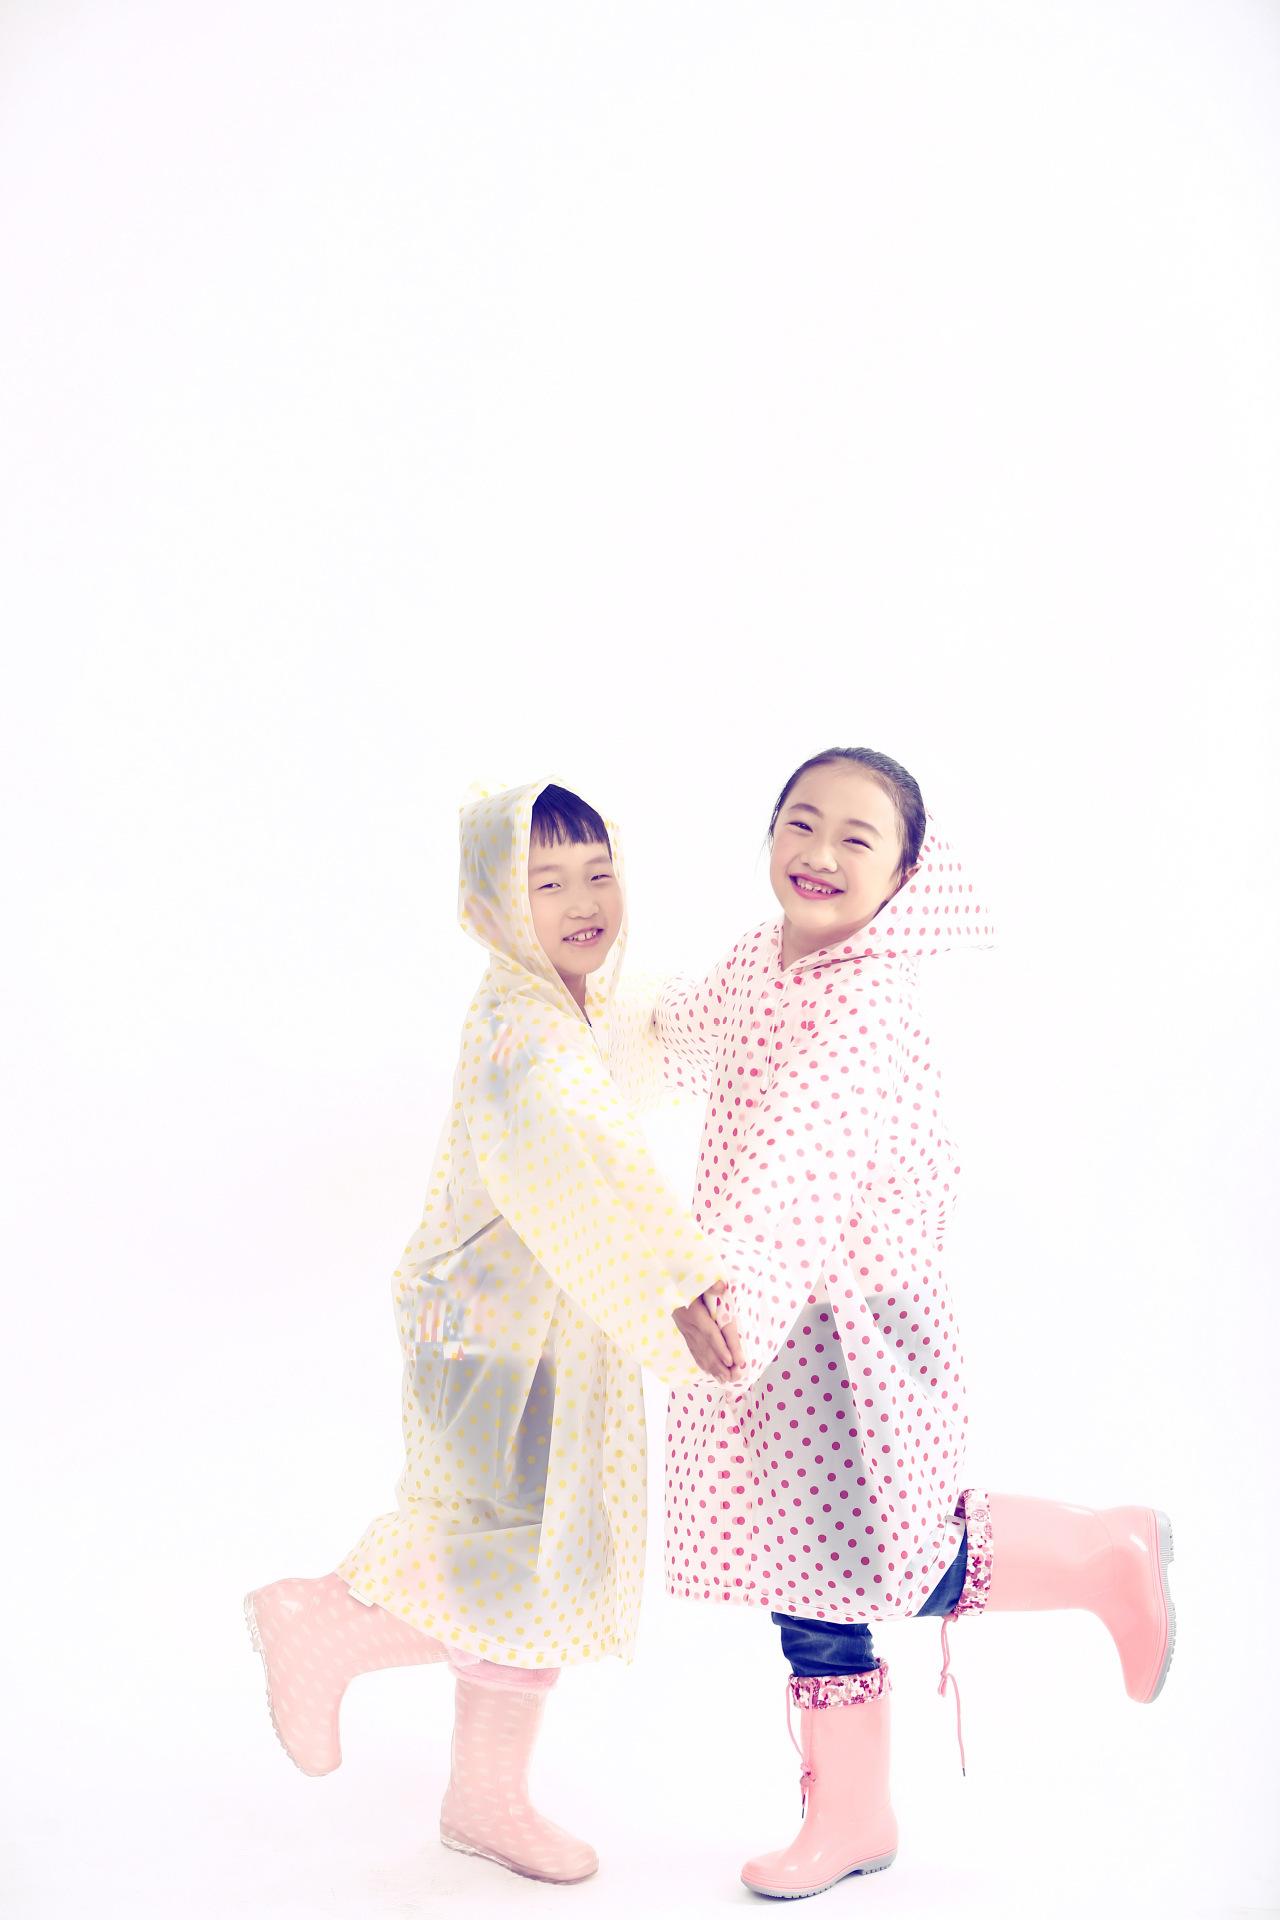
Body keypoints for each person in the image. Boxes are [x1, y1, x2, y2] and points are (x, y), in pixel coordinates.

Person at [652, 747, 1175, 1900]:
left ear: (902, 874)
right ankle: (851, 1815)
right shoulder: (758, 958)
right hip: (778, 1318)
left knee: (885, 1555)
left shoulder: (864, 1005)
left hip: (847, 1330)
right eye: (799, 823)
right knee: (806, 1575)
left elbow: (799, 1168)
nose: (818, 854)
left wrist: (722, 1290)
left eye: (855, 838)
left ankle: (1102, 1555)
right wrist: (592, 1013)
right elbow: (674, 1031)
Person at [245, 780, 740, 1886]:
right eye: (545, 883)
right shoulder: (530, 1040)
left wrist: (758, 997)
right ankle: (319, 1621)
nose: (582, 903)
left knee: (535, 1551)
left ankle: (483, 1797)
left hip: (525, 1328)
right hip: (495, 1341)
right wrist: (681, 1289)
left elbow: (652, 1027)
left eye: (598, 874)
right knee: (519, 1561)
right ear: (494, 902)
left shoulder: (570, 1000)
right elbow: (590, 1161)